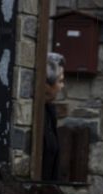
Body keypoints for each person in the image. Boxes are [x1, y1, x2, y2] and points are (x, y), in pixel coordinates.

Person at [42, 52, 65, 181]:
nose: (62, 86)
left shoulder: (49, 113)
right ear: (46, 84)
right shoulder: (40, 114)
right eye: (60, 81)